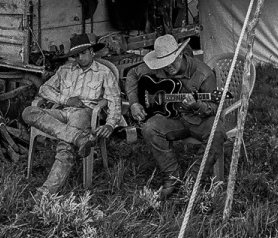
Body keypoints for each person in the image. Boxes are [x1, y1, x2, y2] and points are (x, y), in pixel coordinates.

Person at [22, 33, 124, 196]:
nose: (79, 58)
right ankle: (77, 137)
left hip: (84, 113)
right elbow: (44, 89)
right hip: (62, 111)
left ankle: (47, 190)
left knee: (65, 146)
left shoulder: (104, 72)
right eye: (76, 55)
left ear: (92, 51)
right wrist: (65, 100)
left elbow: (114, 100)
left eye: (83, 53)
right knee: (29, 112)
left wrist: (110, 123)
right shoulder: (65, 69)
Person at [126, 34, 222, 200]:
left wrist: (196, 105)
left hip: (199, 119)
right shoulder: (158, 67)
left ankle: (193, 181)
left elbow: (214, 107)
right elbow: (132, 74)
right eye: (164, 63)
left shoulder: (204, 74)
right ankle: (172, 177)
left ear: (180, 54)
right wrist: (134, 103)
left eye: (172, 61)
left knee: (217, 132)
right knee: (149, 128)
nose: (168, 67)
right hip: (173, 119)